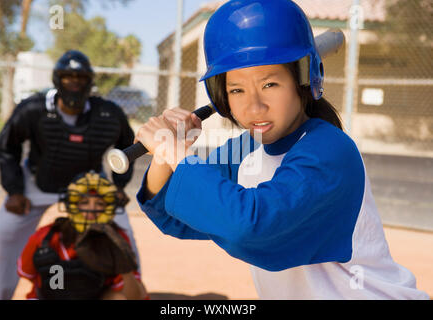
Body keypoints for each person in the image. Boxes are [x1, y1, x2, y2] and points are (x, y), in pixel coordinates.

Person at [134, 0, 429, 299]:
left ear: (303, 81)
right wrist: (165, 154)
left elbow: (252, 230)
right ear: (222, 97)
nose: (254, 106)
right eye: (237, 90)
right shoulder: (245, 149)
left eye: (270, 84)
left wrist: (175, 154)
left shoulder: (329, 150)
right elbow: (175, 213)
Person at [0, 50, 140, 299]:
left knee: (122, 231)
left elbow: (126, 146)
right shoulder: (33, 109)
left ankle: (132, 291)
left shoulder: (108, 113)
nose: (74, 83)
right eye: (68, 77)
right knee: (4, 233)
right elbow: (7, 147)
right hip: (36, 183)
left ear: (89, 82)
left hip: (90, 187)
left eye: (80, 77)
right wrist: (14, 190)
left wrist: (119, 186)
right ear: (57, 80)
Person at [17, 171, 148, 300]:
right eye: (84, 202)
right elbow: (27, 273)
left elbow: (135, 296)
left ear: (109, 207)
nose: (91, 209)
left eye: (99, 203)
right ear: (72, 204)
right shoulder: (46, 235)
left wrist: (126, 270)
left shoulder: (115, 238)